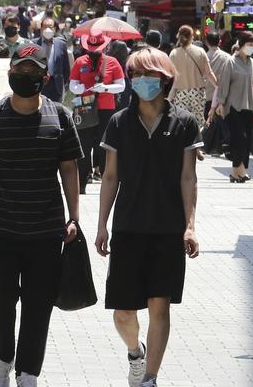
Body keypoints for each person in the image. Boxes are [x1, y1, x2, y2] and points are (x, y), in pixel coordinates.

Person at [0, 45, 82, 387]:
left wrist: (74, 216)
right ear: (10, 71)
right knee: (0, 299)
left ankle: (28, 372)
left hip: (46, 228)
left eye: (32, 71)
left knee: (39, 305)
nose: (25, 76)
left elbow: (70, 170)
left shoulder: (60, 116)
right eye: (20, 70)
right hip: (3, 228)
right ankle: (2, 358)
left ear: (46, 77)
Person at [95, 47, 201, 387]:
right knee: (123, 312)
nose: (143, 81)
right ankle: (136, 353)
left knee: (160, 306)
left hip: (168, 230)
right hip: (127, 226)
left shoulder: (184, 122)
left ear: (165, 79)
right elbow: (110, 176)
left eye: (150, 75)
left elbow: (189, 177)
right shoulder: (119, 123)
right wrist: (101, 225)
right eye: (137, 74)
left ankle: (150, 377)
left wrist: (190, 225)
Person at [69, 32, 125, 193]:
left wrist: (105, 88)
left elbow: (121, 85)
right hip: (85, 108)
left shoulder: (112, 62)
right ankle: (81, 184)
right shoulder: (80, 61)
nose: (94, 51)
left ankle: (107, 183)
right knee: (84, 147)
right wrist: (79, 88)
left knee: (103, 146)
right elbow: (73, 83)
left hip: (106, 109)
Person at [214, 31, 253, 183]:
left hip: (249, 108)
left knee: (246, 140)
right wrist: (221, 104)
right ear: (241, 44)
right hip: (232, 107)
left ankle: (238, 172)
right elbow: (223, 84)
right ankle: (236, 170)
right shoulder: (230, 62)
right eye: (249, 44)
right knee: (240, 138)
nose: (252, 47)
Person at [168, 25, 215, 120]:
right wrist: (217, 85)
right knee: (198, 120)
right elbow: (209, 72)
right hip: (198, 92)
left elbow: (170, 74)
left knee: (181, 120)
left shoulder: (173, 53)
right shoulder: (201, 51)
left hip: (180, 92)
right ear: (191, 37)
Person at [35, 15, 72, 103]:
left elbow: (66, 67)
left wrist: (62, 83)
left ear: (54, 29)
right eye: (45, 27)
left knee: (56, 111)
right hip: (40, 85)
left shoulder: (61, 44)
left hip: (56, 85)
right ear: (41, 29)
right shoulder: (34, 44)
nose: (48, 29)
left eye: (50, 27)